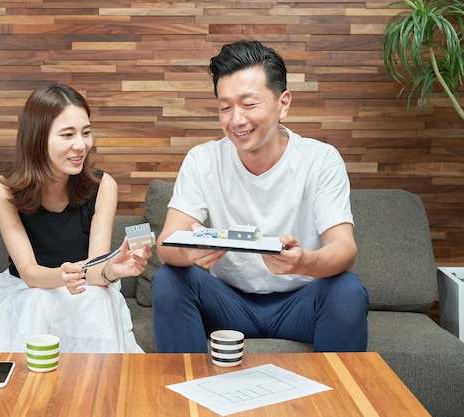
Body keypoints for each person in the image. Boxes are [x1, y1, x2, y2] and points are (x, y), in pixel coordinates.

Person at [151, 40, 369, 353]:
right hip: (227, 303)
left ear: (284, 103)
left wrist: (304, 261)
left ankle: (338, 399)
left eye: (249, 104)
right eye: (225, 107)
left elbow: (345, 249)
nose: (236, 119)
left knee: (348, 289)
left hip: (300, 303)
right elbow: (166, 243)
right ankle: (187, 395)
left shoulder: (320, 159)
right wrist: (190, 253)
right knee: (169, 278)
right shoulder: (203, 159)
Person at [0, 83, 151, 353]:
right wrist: (63, 276)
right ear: (38, 138)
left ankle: (93, 388)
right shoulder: (3, 190)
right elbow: (29, 273)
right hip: (29, 289)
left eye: (86, 133)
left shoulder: (104, 185)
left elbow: (95, 268)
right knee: (40, 298)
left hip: (84, 287)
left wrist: (111, 271)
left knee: (96, 297)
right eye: (67, 134)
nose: (81, 145)